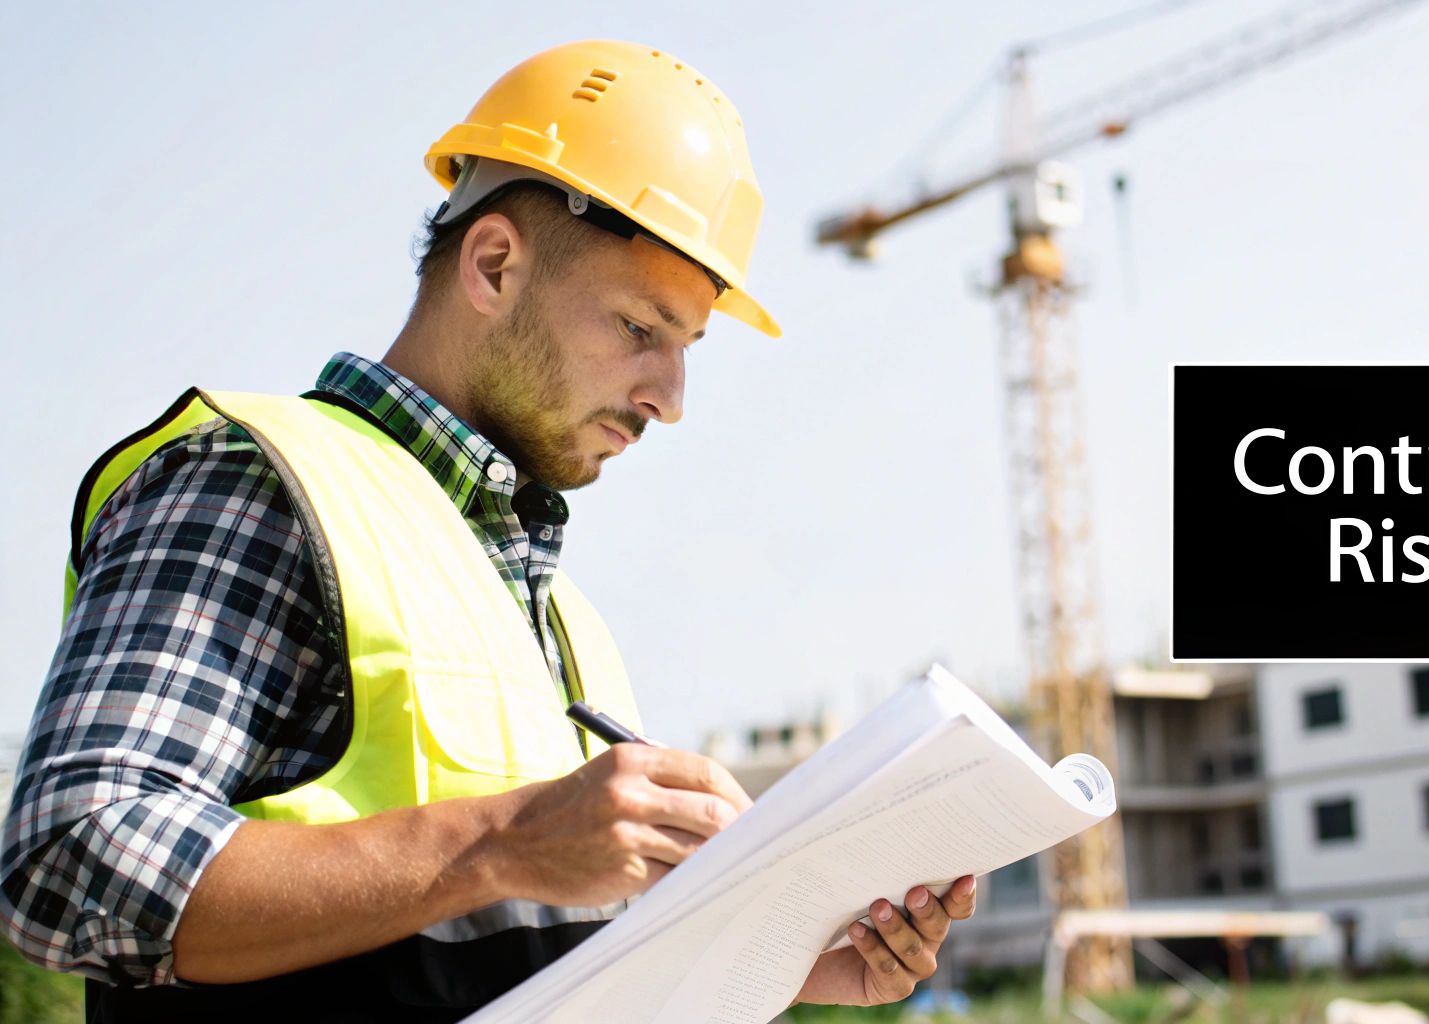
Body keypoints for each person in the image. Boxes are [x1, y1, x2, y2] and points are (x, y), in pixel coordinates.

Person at [1, 39, 974, 1021]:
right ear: (496, 264)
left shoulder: (562, 625)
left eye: (687, 348)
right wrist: (499, 842)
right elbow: (71, 860)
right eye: (641, 328)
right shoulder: (259, 485)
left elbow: (492, 952)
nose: (670, 397)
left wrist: (778, 951)